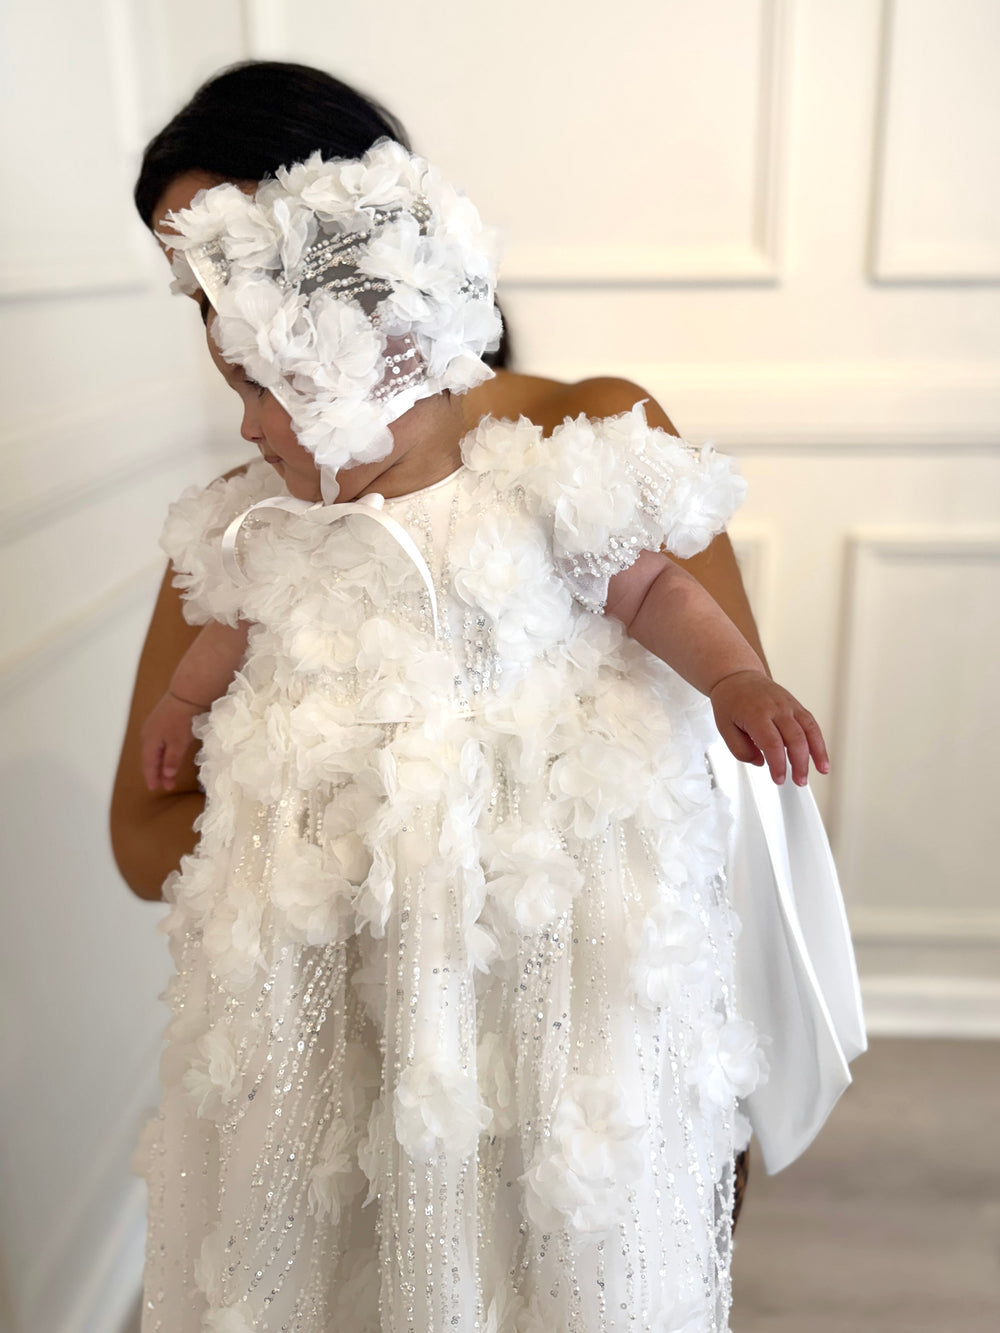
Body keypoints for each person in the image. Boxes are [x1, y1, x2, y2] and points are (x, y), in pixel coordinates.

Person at [118, 64, 826, 1333]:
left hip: (555, 966)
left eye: (257, 265)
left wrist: (730, 681)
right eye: (200, 282)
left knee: (566, 1234)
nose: (233, 317)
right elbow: (157, 795)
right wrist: (272, 780)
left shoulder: (570, 458)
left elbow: (683, 667)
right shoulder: (261, 517)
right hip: (349, 989)